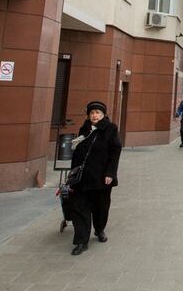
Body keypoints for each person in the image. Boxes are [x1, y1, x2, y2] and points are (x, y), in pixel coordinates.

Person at [68, 101, 122, 256]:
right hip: (82, 178)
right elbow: (79, 152)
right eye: (92, 113)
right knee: (79, 208)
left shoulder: (111, 129)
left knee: (100, 207)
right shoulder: (84, 129)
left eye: (98, 112)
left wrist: (110, 173)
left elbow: (115, 152)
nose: (94, 115)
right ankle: (81, 241)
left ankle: (99, 229)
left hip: (101, 177)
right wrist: (72, 174)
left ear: (103, 114)